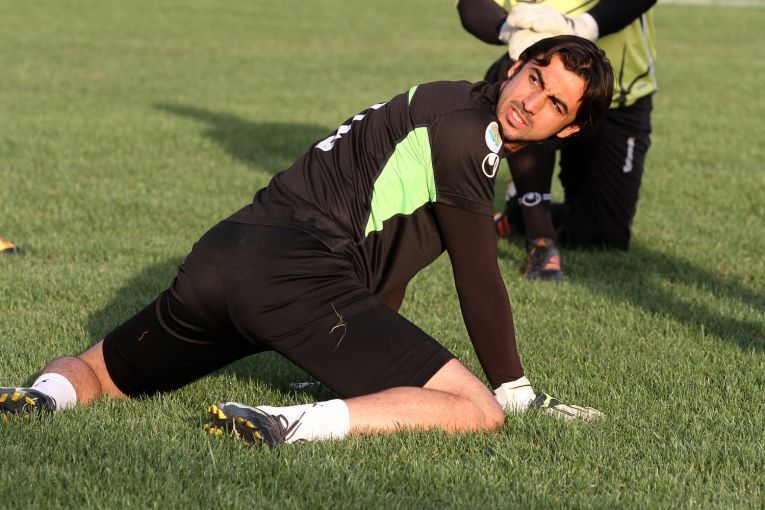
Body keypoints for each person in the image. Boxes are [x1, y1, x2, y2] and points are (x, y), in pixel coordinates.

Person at [1, 37, 613, 447]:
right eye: (535, 78)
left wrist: (353, 365)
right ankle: (283, 425)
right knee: (478, 410)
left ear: (571, 127)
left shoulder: (444, 99)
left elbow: (388, 250)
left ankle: (44, 395)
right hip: (292, 277)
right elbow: (478, 276)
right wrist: (514, 389)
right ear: (515, 66)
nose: (530, 102)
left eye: (554, 102)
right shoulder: (469, 137)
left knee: (95, 370)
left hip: (224, 254)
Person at [458, 0, 658, 280]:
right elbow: (471, 5)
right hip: (544, 84)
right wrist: (510, 30)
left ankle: (516, 212)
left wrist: (581, 27)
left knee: (603, 237)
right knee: (522, 80)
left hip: (620, 97)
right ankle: (541, 240)